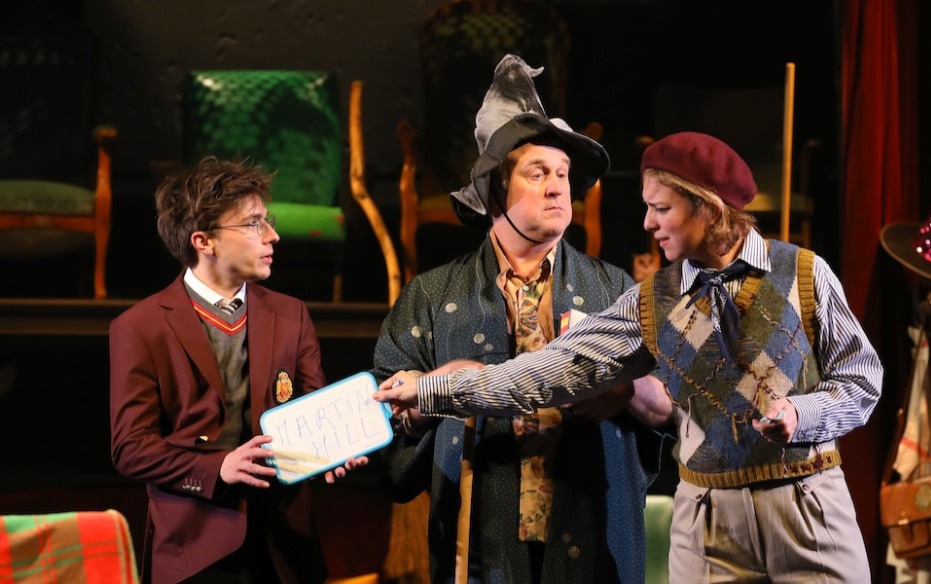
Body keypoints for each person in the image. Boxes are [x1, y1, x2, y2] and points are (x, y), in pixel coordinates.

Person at [376, 131, 884, 582]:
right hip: (708, 525)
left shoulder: (802, 273)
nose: (647, 223)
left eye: (661, 209)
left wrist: (802, 413)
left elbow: (862, 380)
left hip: (804, 506)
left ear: (707, 208)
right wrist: (433, 389)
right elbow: (546, 373)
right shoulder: (652, 301)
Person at [372, 54, 672, 584]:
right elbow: (383, 420)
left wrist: (625, 387)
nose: (558, 187)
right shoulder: (433, 295)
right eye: (538, 174)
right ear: (496, 191)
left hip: (590, 532)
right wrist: (431, 392)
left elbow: (671, 406)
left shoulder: (613, 289)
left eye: (563, 175)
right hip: (480, 541)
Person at [109, 156, 366, 584]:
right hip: (195, 548)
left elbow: (310, 409)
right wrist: (218, 468)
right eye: (252, 224)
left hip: (283, 545)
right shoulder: (140, 326)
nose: (272, 235)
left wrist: (329, 450)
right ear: (204, 241)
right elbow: (131, 448)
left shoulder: (292, 314)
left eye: (268, 220)